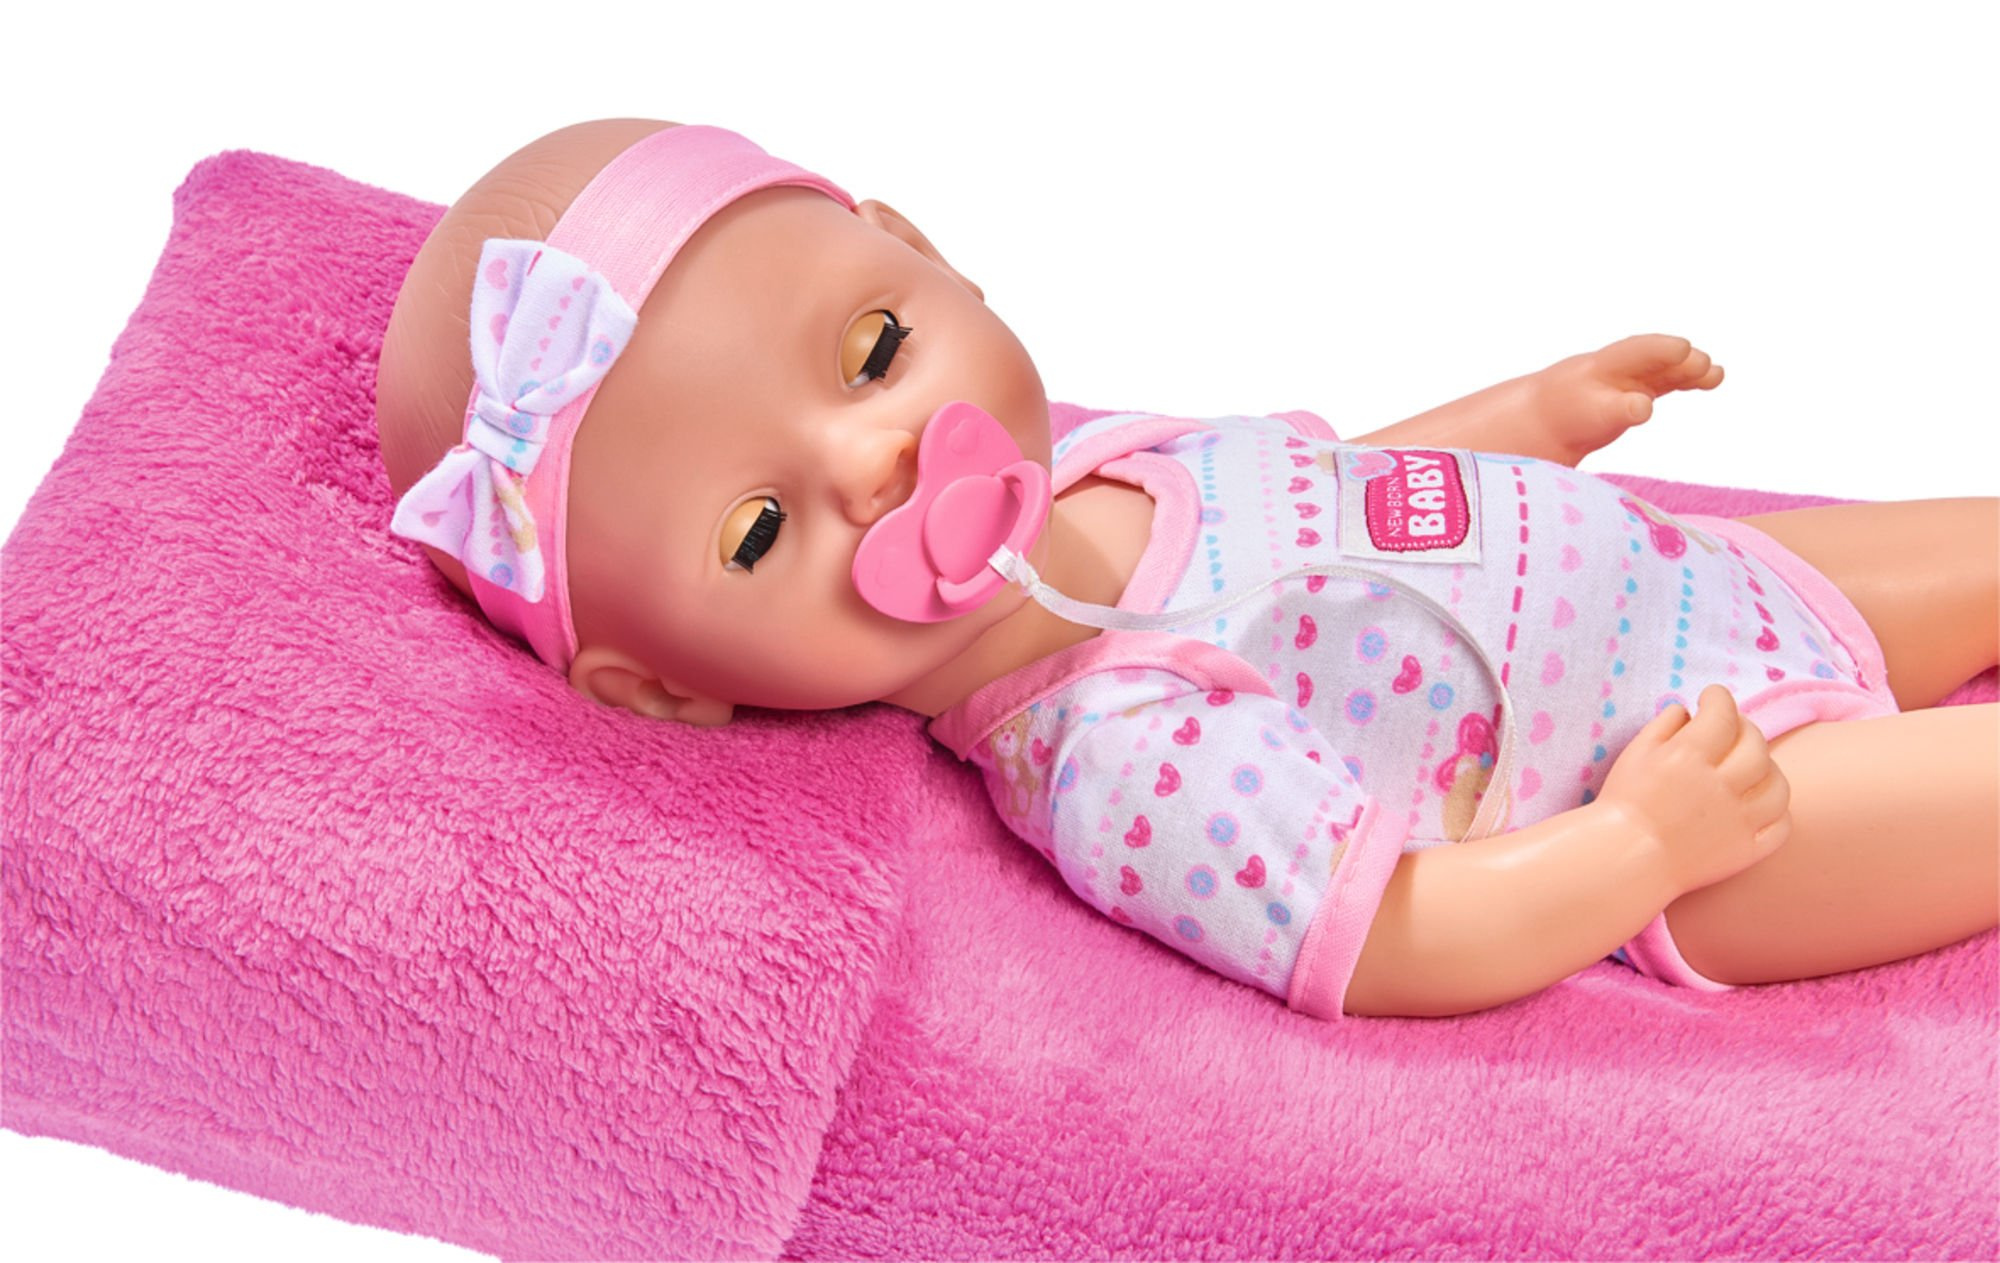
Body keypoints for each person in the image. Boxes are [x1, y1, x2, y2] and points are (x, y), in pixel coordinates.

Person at [375, 119, 1998, 1020]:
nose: (873, 460)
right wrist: (1642, 845)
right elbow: (1397, 937)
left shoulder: (1117, 465)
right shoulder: (1116, 751)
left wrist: (1527, 416)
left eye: (873, 351)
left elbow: (1343, 504)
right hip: (1717, 797)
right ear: (668, 686)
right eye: (759, 531)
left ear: (925, 254)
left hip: (1713, 578)